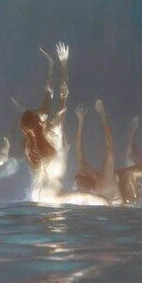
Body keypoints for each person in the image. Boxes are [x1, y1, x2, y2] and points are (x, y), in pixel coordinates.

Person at [20, 43, 108, 205]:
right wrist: (64, 64)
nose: (41, 109)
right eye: (38, 111)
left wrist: (51, 65)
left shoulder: (31, 142)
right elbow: (64, 95)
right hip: (53, 195)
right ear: (39, 121)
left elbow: (48, 94)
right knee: (106, 203)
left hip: (36, 195)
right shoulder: (54, 131)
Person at [75, 100, 142, 204]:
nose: (87, 166)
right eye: (87, 169)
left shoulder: (85, 176)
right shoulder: (105, 181)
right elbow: (110, 146)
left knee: (127, 172)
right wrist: (102, 113)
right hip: (125, 205)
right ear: (90, 176)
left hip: (114, 200)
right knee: (133, 172)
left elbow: (78, 149)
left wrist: (81, 123)